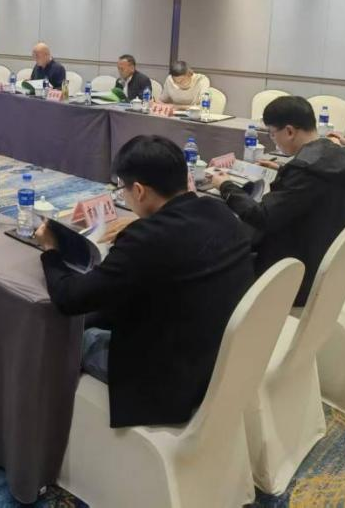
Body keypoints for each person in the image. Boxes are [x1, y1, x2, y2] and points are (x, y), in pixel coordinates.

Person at [36, 135, 254, 428]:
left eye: (122, 189)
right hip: (216, 355)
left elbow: (69, 298)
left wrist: (50, 251)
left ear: (138, 191)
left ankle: (45, 430)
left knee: (63, 334)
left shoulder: (147, 240)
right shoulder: (219, 211)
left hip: (166, 379)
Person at [210, 96, 345, 306]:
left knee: (227, 247)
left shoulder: (304, 169)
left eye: (273, 134)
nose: (273, 140)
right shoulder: (343, 155)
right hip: (337, 262)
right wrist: (283, 170)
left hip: (300, 273)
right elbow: (313, 189)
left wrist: (225, 186)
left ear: (289, 131)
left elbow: (263, 216)